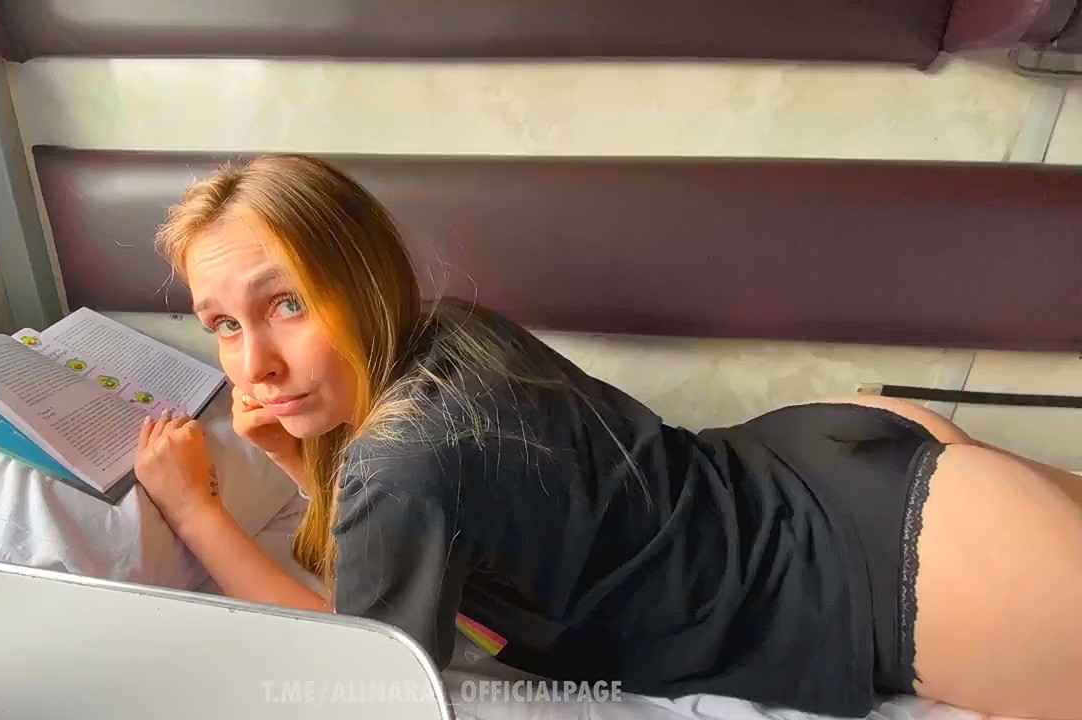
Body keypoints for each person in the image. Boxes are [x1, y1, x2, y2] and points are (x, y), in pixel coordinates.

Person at [132, 154, 1082, 719]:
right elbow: (398, 549)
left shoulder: (402, 464)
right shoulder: (451, 330)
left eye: (287, 304)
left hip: (892, 574)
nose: (253, 365)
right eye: (224, 325)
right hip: (841, 466)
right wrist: (295, 456)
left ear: (363, 277)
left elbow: (363, 678)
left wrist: (197, 512)